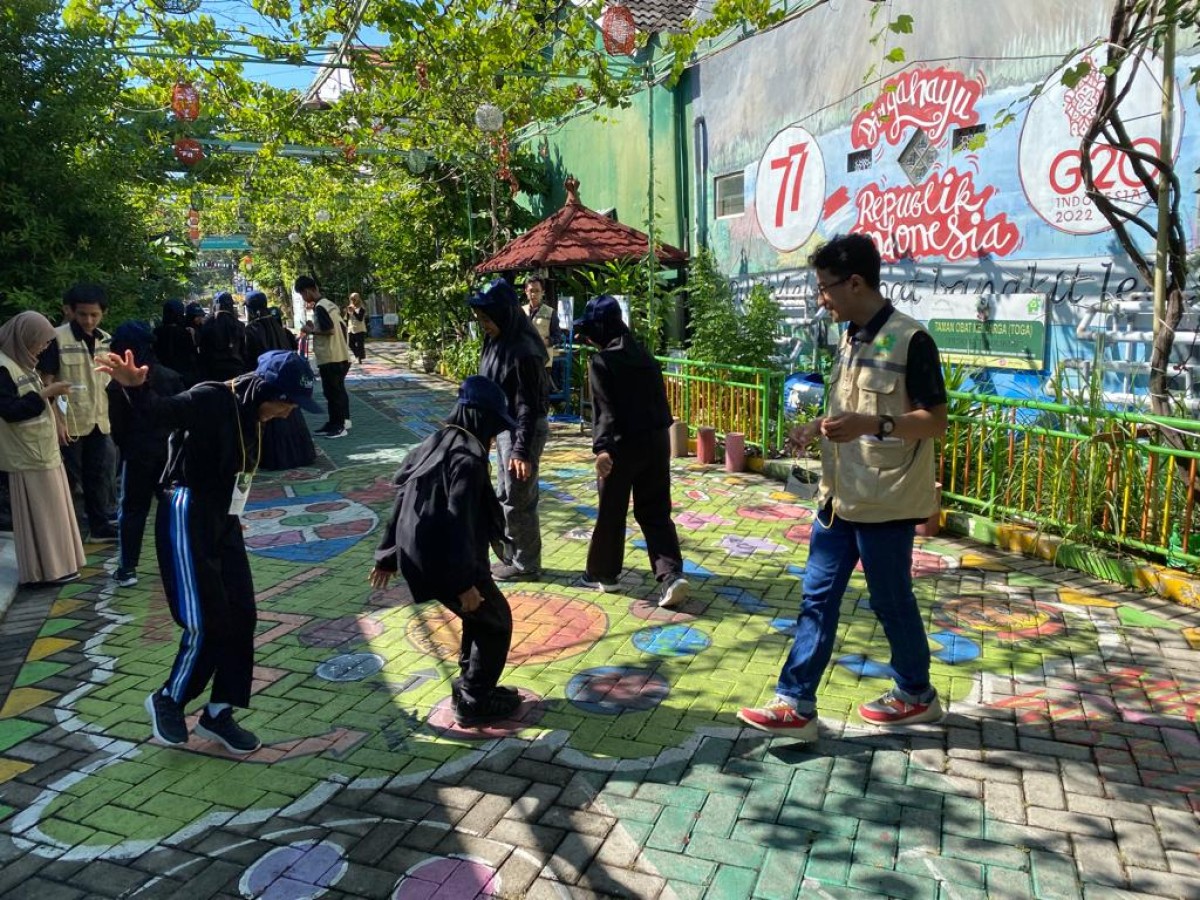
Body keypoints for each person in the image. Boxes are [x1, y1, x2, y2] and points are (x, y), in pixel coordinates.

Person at [737, 234, 949, 739]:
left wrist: (873, 426)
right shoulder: (850, 335)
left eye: (825, 288)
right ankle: (795, 703)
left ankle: (916, 694)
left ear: (855, 282)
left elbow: (935, 421)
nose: (821, 298)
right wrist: (816, 429)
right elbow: (849, 409)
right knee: (817, 597)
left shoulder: (910, 339)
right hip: (838, 497)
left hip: (885, 500)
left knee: (890, 599)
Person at [101, 348, 323, 754]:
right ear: (265, 389)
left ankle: (219, 713)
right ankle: (169, 698)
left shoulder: (255, 412)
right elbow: (159, 414)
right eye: (286, 402)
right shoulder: (211, 398)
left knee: (243, 616)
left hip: (224, 518)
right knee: (208, 620)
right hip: (188, 512)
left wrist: (233, 514)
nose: (289, 412)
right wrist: (136, 388)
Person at [370, 376, 523, 727]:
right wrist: (464, 584)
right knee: (495, 620)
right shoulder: (467, 460)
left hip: (420, 552)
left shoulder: (435, 441)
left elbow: (402, 498)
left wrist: (387, 555)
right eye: (492, 427)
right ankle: (473, 700)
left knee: (481, 616)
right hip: (443, 558)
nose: (492, 437)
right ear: (479, 419)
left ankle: (472, 686)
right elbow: (457, 526)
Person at [573, 295, 690, 609]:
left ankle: (602, 574)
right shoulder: (644, 354)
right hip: (657, 441)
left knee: (611, 510)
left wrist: (602, 449)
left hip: (623, 446)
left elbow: (605, 411)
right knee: (655, 511)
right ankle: (671, 576)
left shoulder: (602, 362)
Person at [469, 278, 550, 581]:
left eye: (488, 319)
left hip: (524, 430)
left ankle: (527, 564)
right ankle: (515, 556)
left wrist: (521, 450)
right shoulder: (496, 341)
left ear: (503, 314)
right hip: (505, 427)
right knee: (504, 493)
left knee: (519, 498)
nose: (484, 325)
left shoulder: (525, 351)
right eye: (481, 319)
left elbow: (529, 404)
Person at [0, 312, 86, 586]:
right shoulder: (4, 368)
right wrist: (47, 394)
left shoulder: (23, 363)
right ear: (25, 339)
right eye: (41, 342)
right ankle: (45, 571)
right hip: (26, 454)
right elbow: (11, 411)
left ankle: (60, 565)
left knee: (56, 510)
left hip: (42, 449)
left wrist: (56, 417)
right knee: (42, 514)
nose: (43, 348)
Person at [106, 322, 185, 588]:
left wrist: (127, 448)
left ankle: (127, 568)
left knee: (132, 510)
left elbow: (117, 426)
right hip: (169, 454)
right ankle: (175, 563)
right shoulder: (169, 376)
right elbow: (182, 417)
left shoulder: (118, 384)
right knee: (170, 509)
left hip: (137, 455)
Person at [42, 283, 118, 541]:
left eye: (94, 315)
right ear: (71, 312)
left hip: (98, 420)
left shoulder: (106, 340)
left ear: (103, 313)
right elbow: (46, 382)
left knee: (97, 475)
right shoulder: (56, 338)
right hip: (69, 423)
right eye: (83, 314)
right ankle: (67, 533)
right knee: (70, 480)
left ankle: (98, 527)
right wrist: (56, 420)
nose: (88, 320)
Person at [244, 291, 317, 470]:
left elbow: (248, 358)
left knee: (272, 416)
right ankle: (298, 454)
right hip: (288, 381)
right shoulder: (280, 328)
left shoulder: (251, 331)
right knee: (288, 414)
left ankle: (274, 458)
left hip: (266, 382)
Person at [296, 276, 352, 438]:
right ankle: (337, 422)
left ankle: (339, 426)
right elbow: (340, 328)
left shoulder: (320, 307)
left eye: (302, 295)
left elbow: (330, 330)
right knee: (336, 392)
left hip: (330, 357)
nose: (304, 299)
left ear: (307, 291)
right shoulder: (329, 305)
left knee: (333, 393)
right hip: (340, 354)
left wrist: (310, 331)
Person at [198, 291, 249, 381]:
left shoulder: (208, 324)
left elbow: (203, 350)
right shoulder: (239, 325)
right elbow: (244, 351)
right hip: (236, 372)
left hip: (213, 373)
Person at [154, 299, 200, 387]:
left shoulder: (157, 332)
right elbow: (192, 354)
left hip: (163, 378)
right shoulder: (185, 332)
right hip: (184, 378)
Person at [346, 293, 367, 364]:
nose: (353, 301)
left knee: (360, 345)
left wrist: (353, 311)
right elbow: (347, 318)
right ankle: (357, 355)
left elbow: (360, 318)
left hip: (359, 329)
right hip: (351, 329)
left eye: (354, 299)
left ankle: (359, 358)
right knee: (350, 344)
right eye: (351, 299)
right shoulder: (350, 307)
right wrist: (347, 312)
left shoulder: (361, 308)